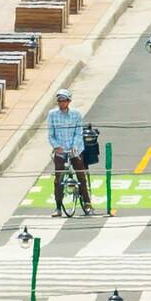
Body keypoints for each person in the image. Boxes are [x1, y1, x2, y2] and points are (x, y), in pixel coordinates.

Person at [45, 87, 92, 216]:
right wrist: (56, 146)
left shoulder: (76, 114)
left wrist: (74, 147)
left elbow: (78, 132)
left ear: (68, 101)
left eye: (64, 101)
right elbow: (51, 134)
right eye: (59, 101)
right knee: (58, 179)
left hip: (75, 150)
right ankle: (58, 207)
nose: (62, 103)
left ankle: (87, 202)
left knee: (80, 175)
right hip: (60, 150)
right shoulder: (52, 115)